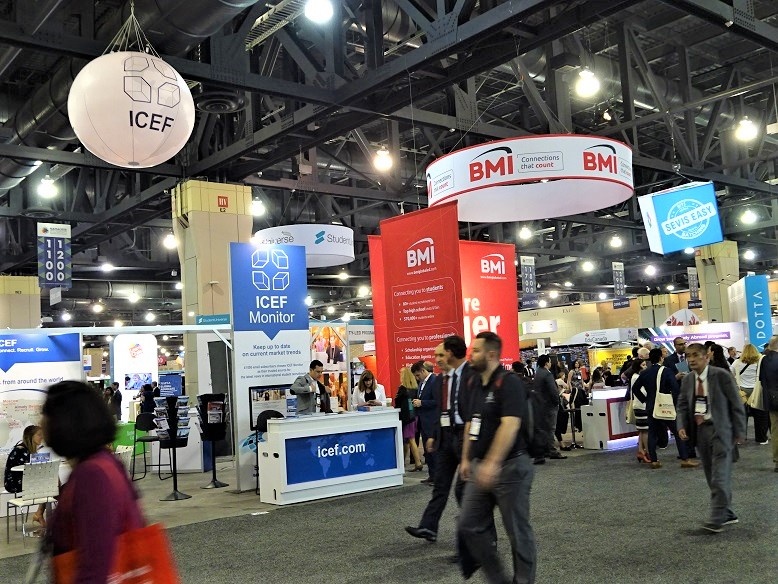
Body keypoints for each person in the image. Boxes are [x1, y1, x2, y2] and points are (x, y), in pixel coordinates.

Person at [44, 380, 145, 581]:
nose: (41, 422)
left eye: (45, 414)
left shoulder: (92, 475)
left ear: (65, 421)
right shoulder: (103, 463)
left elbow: (96, 563)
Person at [458, 331, 536, 583]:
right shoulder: (474, 383)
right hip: (480, 466)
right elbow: (471, 423)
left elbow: (510, 425)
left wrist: (492, 462)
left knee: (517, 532)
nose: (471, 355)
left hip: (511, 467)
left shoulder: (509, 382)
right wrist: (466, 458)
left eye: (476, 351)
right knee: (468, 525)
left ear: (491, 355)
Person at [405, 335, 473, 546]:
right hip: (446, 437)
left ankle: (480, 542)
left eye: (440, 355)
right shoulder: (442, 380)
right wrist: (434, 435)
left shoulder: (470, 376)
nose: (437, 359)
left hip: (465, 436)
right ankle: (428, 527)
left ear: (450, 354)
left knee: (465, 492)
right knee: (440, 485)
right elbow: (441, 410)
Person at [677, 343, 746, 532]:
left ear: (706, 357)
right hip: (700, 432)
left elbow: (736, 403)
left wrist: (740, 431)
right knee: (710, 475)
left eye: (695, 355)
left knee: (719, 475)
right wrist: (681, 425)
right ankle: (727, 513)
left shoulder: (721, 375)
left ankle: (716, 519)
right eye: (688, 356)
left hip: (721, 431)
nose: (691, 359)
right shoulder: (688, 380)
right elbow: (682, 405)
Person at [631, 348, 696, 469]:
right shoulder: (666, 371)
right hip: (665, 406)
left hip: (651, 406)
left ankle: (654, 461)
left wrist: (645, 399)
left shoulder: (645, 372)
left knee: (652, 433)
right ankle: (685, 459)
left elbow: (635, 388)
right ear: (661, 358)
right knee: (677, 431)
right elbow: (675, 388)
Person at [3, 425, 47, 525]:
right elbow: (26, 470)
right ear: (30, 436)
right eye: (39, 435)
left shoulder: (29, 450)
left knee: (52, 484)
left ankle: (39, 513)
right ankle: (40, 513)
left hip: (25, 481)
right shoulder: (20, 450)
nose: (42, 437)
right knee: (51, 485)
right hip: (14, 483)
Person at [732, 344, 768, 444]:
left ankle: (740, 439)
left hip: (741, 392)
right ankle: (761, 439)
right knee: (760, 417)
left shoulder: (736, 362)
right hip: (757, 391)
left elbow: (730, 373)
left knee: (741, 417)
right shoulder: (760, 362)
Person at [534, 354, 566, 463]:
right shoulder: (547, 374)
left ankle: (545, 450)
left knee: (544, 428)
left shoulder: (538, 373)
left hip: (540, 405)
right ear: (546, 363)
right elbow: (553, 390)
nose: (551, 363)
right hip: (549, 405)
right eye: (550, 361)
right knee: (551, 428)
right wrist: (557, 402)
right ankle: (552, 450)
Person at [412, 360, 439, 485]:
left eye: (418, 375)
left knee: (434, 451)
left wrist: (422, 403)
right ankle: (432, 475)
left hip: (432, 421)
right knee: (428, 451)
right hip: (423, 421)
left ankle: (438, 478)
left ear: (423, 371)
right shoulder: (422, 383)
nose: (417, 378)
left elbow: (438, 401)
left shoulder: (434, 381)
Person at [757, 335, 778, 471]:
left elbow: (761, 379)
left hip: (771, 399)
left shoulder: (764, 359)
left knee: (775, 431)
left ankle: (777, 461)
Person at [395, 367, 422, 471]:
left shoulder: (402, 389)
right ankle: (403, 461)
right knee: (407, 440)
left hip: (407, 418)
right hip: (414, 416)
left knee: (411, 440)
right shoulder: (415, 388)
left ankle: (418, 462)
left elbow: (397, 402)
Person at [628, 358, 650, 463]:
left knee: (642, 430)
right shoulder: (637, 377)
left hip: (639, 405)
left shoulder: (635, 376)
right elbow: (643, 392)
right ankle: (648, 452)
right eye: (643, 365)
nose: (645, 367)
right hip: (642, 406)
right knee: (645, 430)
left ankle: (641, 451)